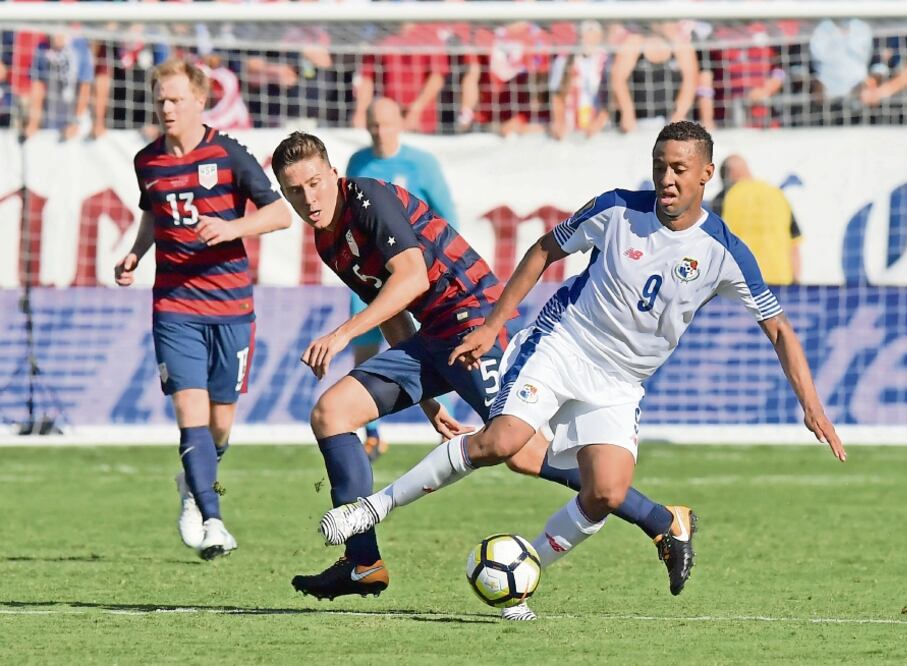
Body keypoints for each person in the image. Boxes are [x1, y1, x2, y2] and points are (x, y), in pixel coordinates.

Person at [319, 121, 847, 620]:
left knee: (606, 493)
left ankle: (523, 581)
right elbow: (543, 249)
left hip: (621, 382)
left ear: (706, 174)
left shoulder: (724, 252)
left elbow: (779, 329)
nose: (667, 178)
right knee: (503, 443)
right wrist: (493, 324)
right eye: (661, 165)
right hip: (562, 345)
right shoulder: (616, 209)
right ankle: (373, 508)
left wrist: (812, 406)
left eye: (680, 169)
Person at [271, 132, 691, 613]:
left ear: (333, 175)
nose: (308, 198)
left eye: (314, 183)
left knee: (523, 452)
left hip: (474, 324)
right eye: (294, 191)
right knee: (331, 413)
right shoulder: (329, 240)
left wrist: (342, 334)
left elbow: (411, 277)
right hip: (430, 338)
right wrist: (430, 403)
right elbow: (391, 310)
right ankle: (363, 562)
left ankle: (661, 519)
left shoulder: (367, 197)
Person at [114, 59, 292, 560]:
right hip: (174, 305)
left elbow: (280, 213)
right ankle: (212, 519)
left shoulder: (230, 154)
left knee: (221, 425)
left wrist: (231, 229)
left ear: (199, 101)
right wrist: (135, 254)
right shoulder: (147, 160)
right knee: (189, 415)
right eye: (160, 100)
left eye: (175, 99)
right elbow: (154, 215)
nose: (166, 108)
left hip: (232, 306)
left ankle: (192, 483)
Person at [344, 97, 459, 459]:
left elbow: (446, 216)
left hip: (414, 273)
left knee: (432, 345)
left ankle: (449, 425)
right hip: (369, 276)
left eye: (386, 124)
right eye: (374, 125)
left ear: (400, 123)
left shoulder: (422, 164)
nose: (380, 132)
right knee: (363, 344)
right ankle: (373, 432)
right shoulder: (358, 162)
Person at [711, 154, 801, 285]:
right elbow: (794, 244)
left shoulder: (722, 198)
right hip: (780, 281)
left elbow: (713, 244)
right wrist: (796, 281)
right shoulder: (777, 194)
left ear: (730, 175)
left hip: (740, 282)